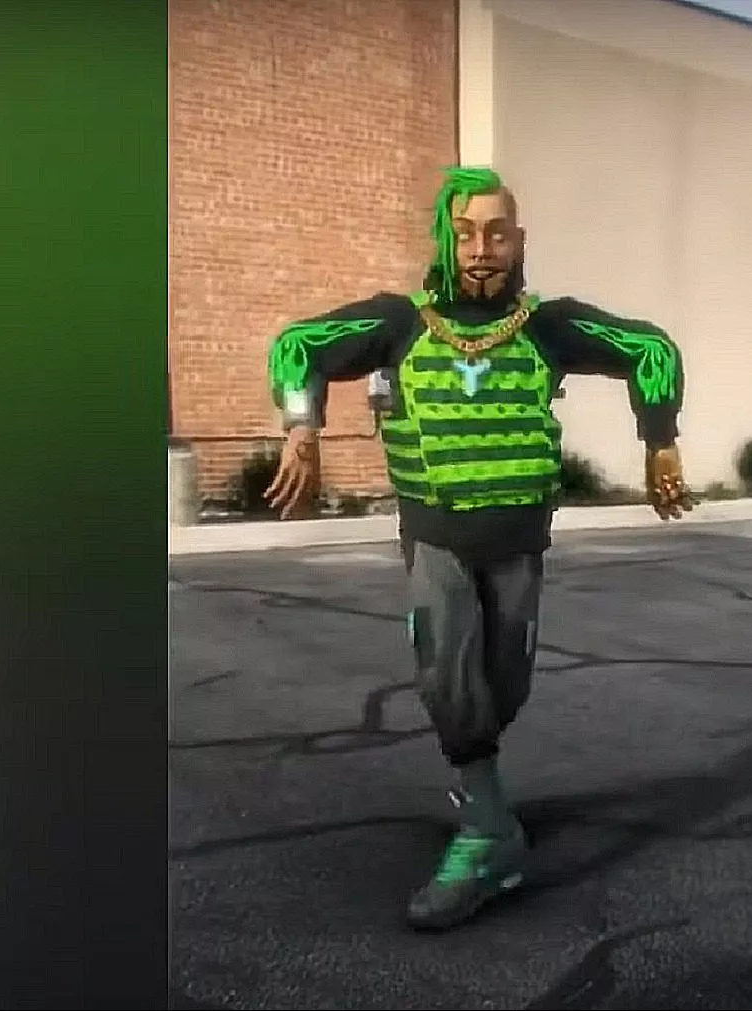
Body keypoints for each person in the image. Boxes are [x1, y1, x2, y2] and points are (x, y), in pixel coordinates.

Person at [262, 165, 693, 930]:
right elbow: (299, 345)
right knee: (450, 675)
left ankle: (483, 791)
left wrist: (660, 439)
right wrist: (302, 426)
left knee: (503, 686)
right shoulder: (399, 323)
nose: (481, 249)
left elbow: (649, 348)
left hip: (520, 538)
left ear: (519, 240)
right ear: (443, 238)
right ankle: (487, 829)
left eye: (496, 233)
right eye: (464, 233)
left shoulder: (546, 326)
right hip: (439, 536)